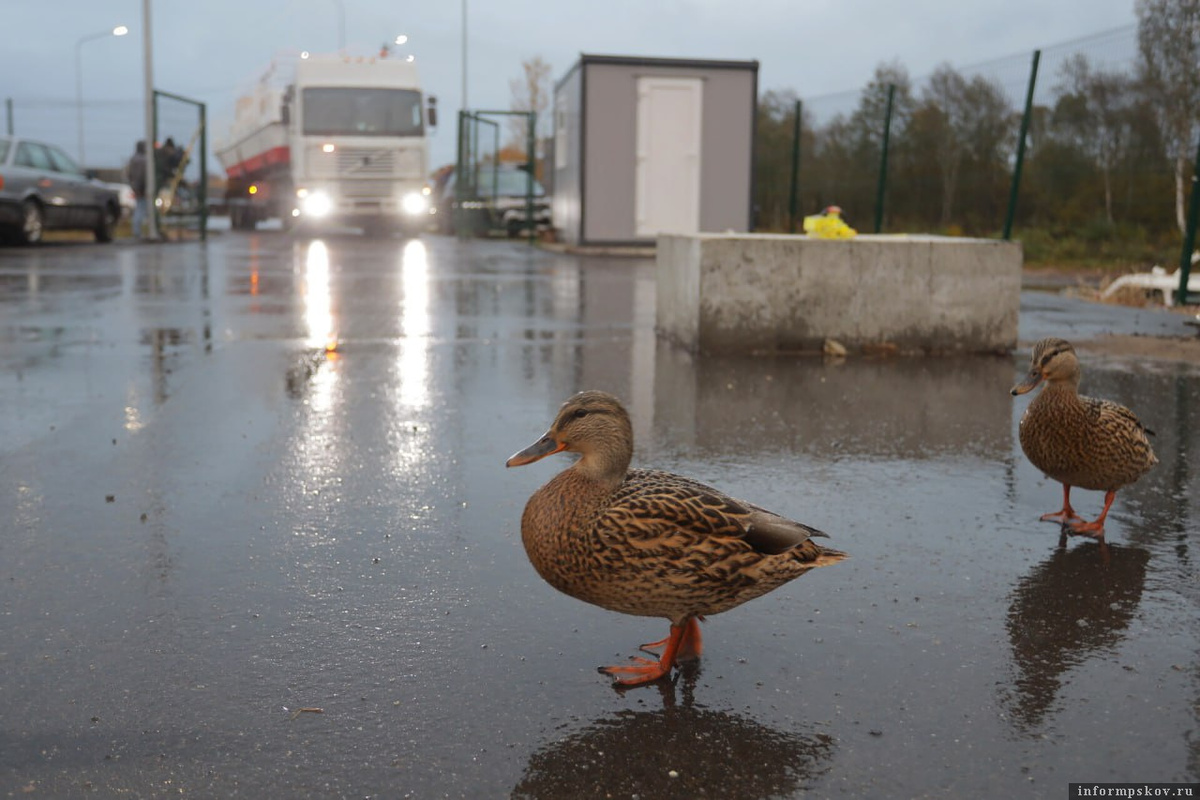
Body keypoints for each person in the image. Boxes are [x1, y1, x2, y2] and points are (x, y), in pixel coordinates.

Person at [125, 140, 148, 240]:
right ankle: (137, 232)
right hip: (142, 188)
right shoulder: (143, 159)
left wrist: (133, 185)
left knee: (139, 208)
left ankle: (137, 231)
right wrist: (142, 187)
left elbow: (129, 174)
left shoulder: (133, 159)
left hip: (135, 187)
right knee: (141, 209)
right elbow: (142, 175)